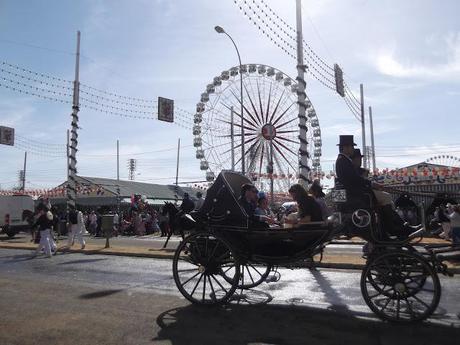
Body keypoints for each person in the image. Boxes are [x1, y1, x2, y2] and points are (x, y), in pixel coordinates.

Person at [335, 135, 415, 239]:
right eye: (351, 147)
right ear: (345, 147)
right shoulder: (343, 161)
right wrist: (371, 184)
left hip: (358, 191)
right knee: (386, 197)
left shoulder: (343, 160)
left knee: (385, 198)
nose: (353, 149)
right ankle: (391, 228)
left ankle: (391, 227)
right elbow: (354, 179)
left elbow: (354, 179)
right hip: (358, 193)